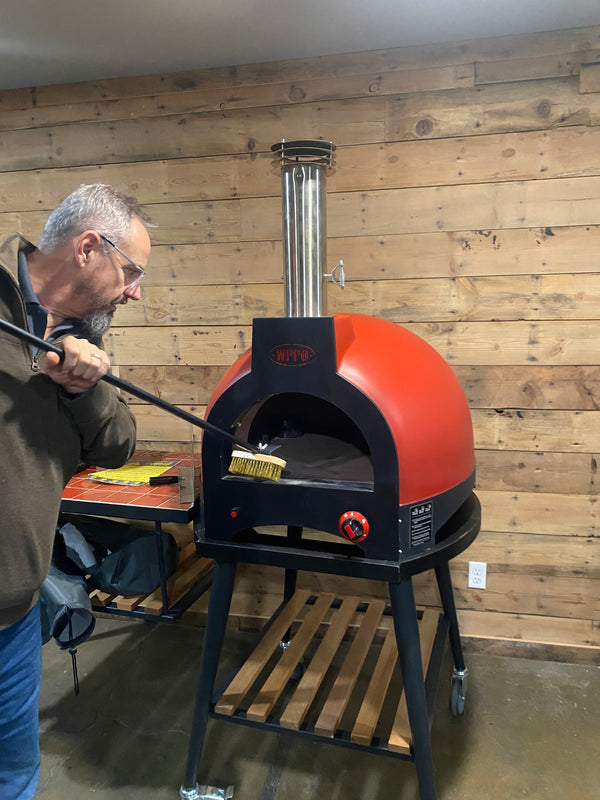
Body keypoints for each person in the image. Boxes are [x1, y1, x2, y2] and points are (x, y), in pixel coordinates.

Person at [0, 184, 151, 799]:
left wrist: (84, 388)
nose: (135, 291)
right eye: (132, 271)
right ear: (88, 248)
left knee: (14, 777)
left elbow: (117, 447)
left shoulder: (79, 338)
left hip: (16, 614)